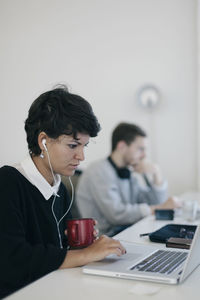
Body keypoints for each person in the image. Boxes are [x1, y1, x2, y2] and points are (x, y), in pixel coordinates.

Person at [0, 86, 126, 299]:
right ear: (43, 142)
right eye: (73, 145)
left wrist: (78, 243)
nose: (81, 156)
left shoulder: (60, 188)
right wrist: (85, 254)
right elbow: (13, 260)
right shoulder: (8, 183)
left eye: (84, 146)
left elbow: (55, 250)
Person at [76, 122, 180, 237]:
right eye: (140, 149)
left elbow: (153, 203)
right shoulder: (98, 171)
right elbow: (116, 214)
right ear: (122, 146)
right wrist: (158, 208)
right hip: (105, 237)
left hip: (126, 231)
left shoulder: (128, 170)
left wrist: (157, 174)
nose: (144, 155)